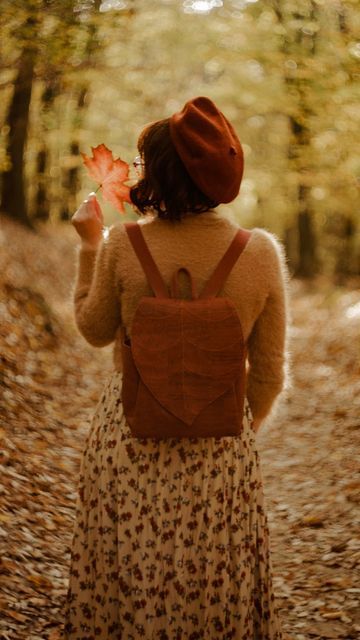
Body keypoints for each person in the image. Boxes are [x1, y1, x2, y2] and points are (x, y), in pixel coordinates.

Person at [64, 96, 289, 639]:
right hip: (221, 450)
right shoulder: (258, 253)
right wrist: (233, 426)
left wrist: (89, 247)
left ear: (161, 172)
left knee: (131, 577)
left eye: (142, 161)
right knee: (212, 582)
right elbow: (268, 372)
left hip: (130, 437)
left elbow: (93, 330)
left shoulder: (122, 244)